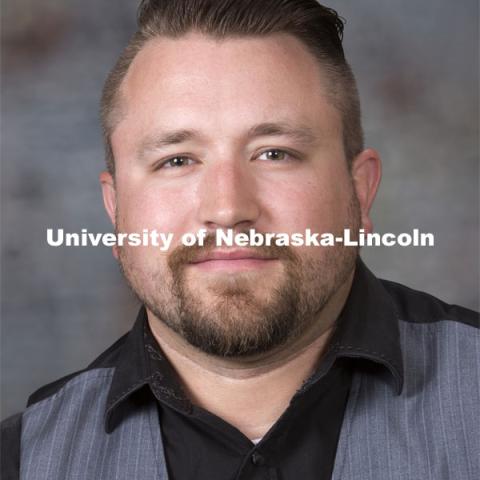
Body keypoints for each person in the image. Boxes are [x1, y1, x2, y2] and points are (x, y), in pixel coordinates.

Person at [1, 0, 479, 479]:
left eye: (274, 153)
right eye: (177, 160)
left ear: (360, 191)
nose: (227, 209)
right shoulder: (21, 461)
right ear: (116, 209)